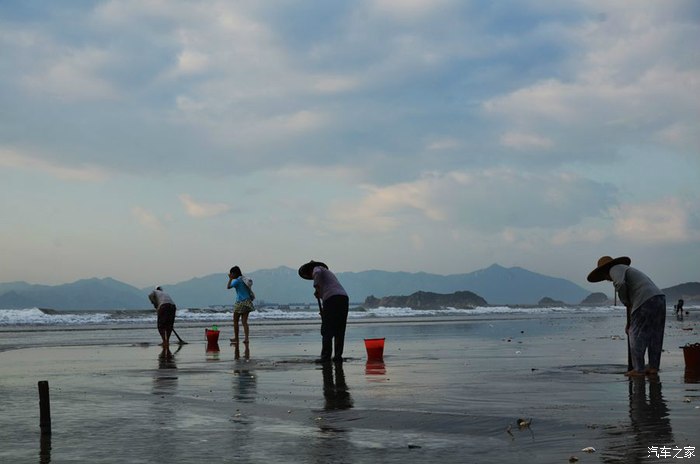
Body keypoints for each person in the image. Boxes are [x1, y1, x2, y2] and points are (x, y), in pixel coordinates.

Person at [587, 256, 666, 376]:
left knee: (635, 334)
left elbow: (620, 284)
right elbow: (631, 306)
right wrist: (629, 323)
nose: (607, 280)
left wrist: (624, 301)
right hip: (659, 298)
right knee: (655, 335)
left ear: (604, 271)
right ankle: (653, 367)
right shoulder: (628, 271)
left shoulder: (614, 268)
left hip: (644, 300)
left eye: (604, 277)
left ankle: (638, 369)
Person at [298, 260, 349, 363]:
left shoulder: (318, 268)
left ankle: (325, 357)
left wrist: (316, 288)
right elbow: (326, 298)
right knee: (340, 329)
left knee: (327, 330)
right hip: (343, 298)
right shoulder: (328, 276)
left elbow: (317, 273)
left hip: (333, 299)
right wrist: (324, 311)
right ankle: (338, 356)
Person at [227, 266, 254, 345]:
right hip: (248, 302)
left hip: (240, 302)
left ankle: (236, 338)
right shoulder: (245, 279)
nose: (231, 275)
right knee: (244, 322)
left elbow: (228, 287)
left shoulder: (237, 281)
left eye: (232, 273)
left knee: (235, 321)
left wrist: (230, 279)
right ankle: (246, 338)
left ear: (234, 273)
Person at [148, 286, 177, 351]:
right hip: (173, 306)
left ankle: (164, 341)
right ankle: (167, 341)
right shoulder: (165, 293)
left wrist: (154, 303)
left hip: (164, 306)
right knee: (169, 325)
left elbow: (150, 295)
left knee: (160, 326)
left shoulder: (155, 291)